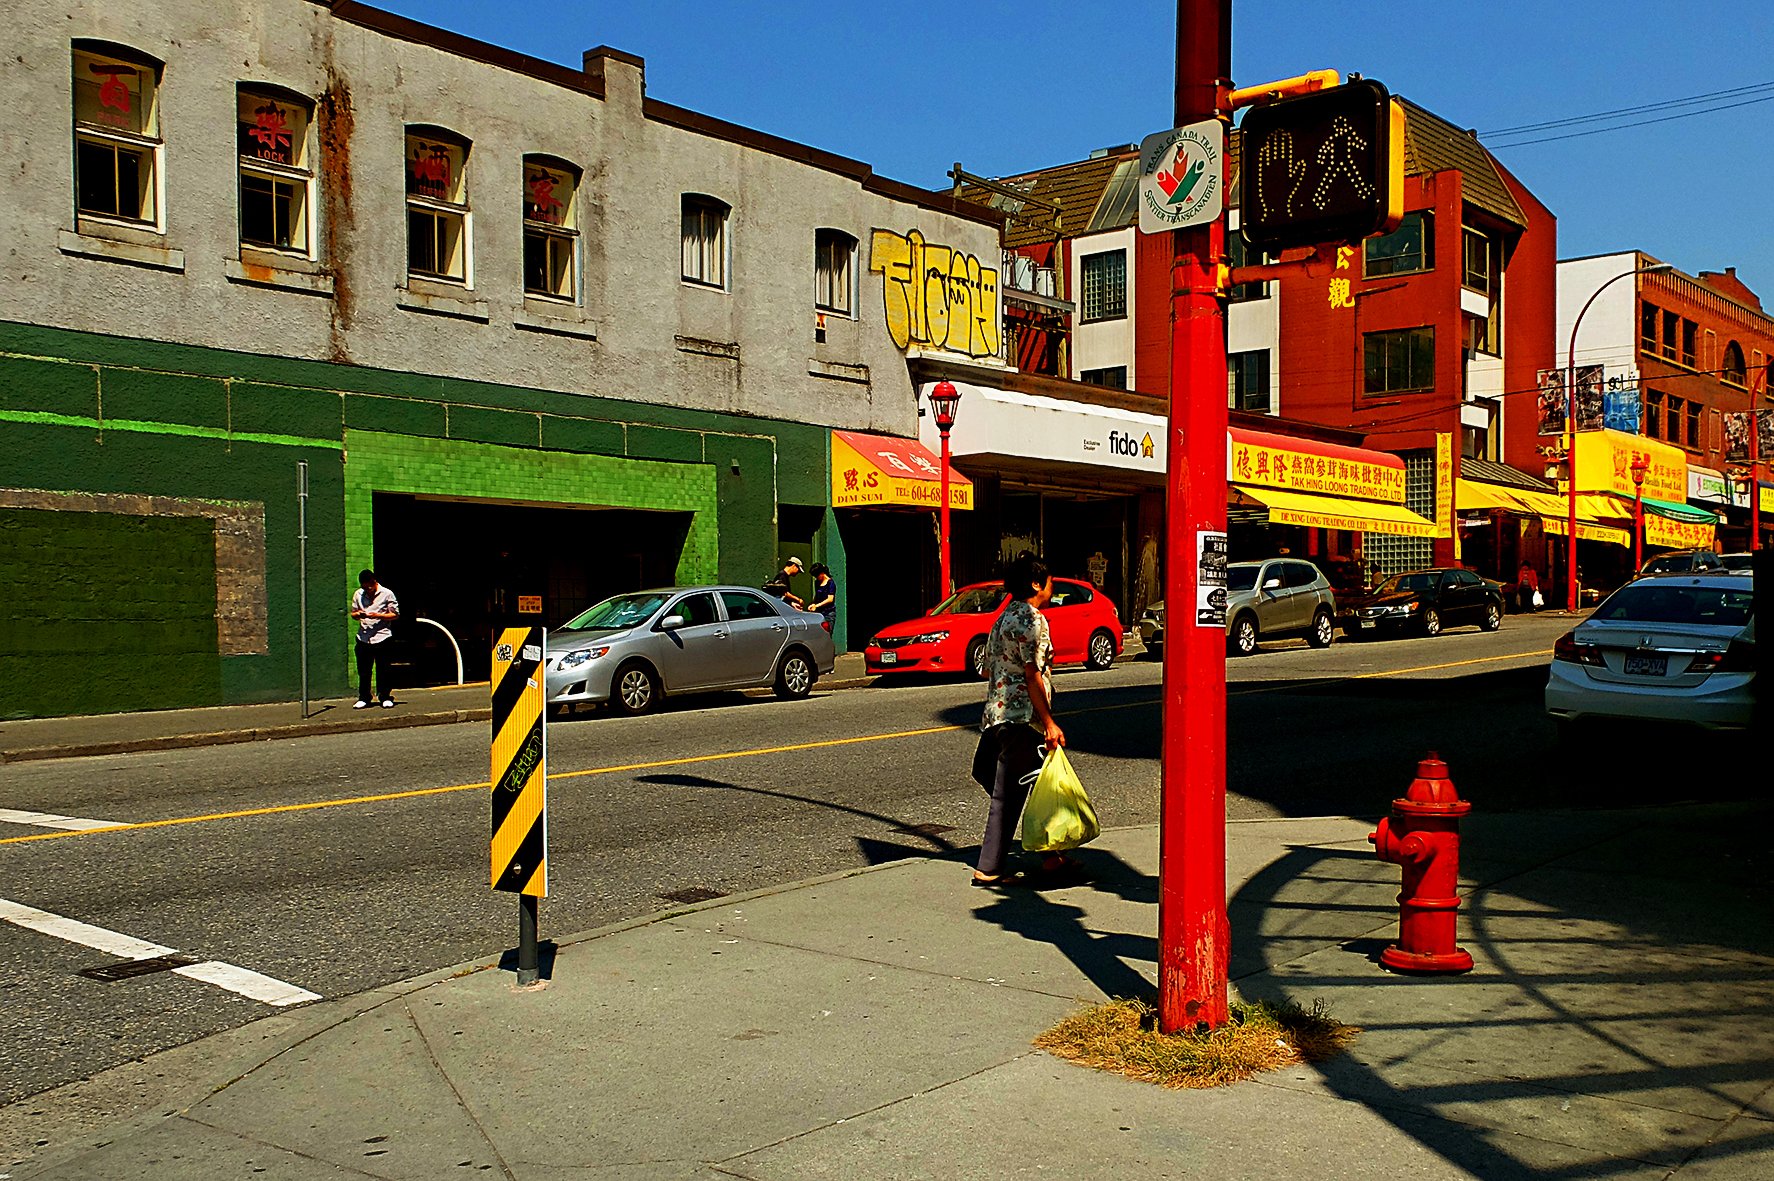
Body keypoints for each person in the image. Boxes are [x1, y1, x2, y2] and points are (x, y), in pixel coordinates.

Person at [970, 553, 1070, 888]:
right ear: (1036, 583)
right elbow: (1033, 675)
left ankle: (1051, 853)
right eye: (1050, 581)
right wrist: (1049, 722)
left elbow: (989, 667)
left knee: (1026, 783)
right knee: (1009, 793)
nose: (1052, 586)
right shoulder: (1033, 618)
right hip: (1021, 718)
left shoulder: (1002, 619)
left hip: (995, 714)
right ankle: (990, 867)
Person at [350, 569, 399, 708]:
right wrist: (359, 614)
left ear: (374, 582)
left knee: (384, 669)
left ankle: (385, 696)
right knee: (364, 670)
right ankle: (364, 697)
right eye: (364, 587)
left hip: (382, 636)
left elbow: (395, 615)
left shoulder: (387, 594)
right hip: (364, 637)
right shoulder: (358, 594)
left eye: (369, 587)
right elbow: (353, 613)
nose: (367, 590)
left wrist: (377, 616)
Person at [806, 562, 837, 627]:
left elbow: (830, 599)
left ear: (822, 573)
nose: (816, 578)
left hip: (828, 613)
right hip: (819, 613)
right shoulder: (817, 583)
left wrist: (817, 606)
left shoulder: (830, 583)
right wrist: (813, 604)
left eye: (817, 576)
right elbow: (817, 595)